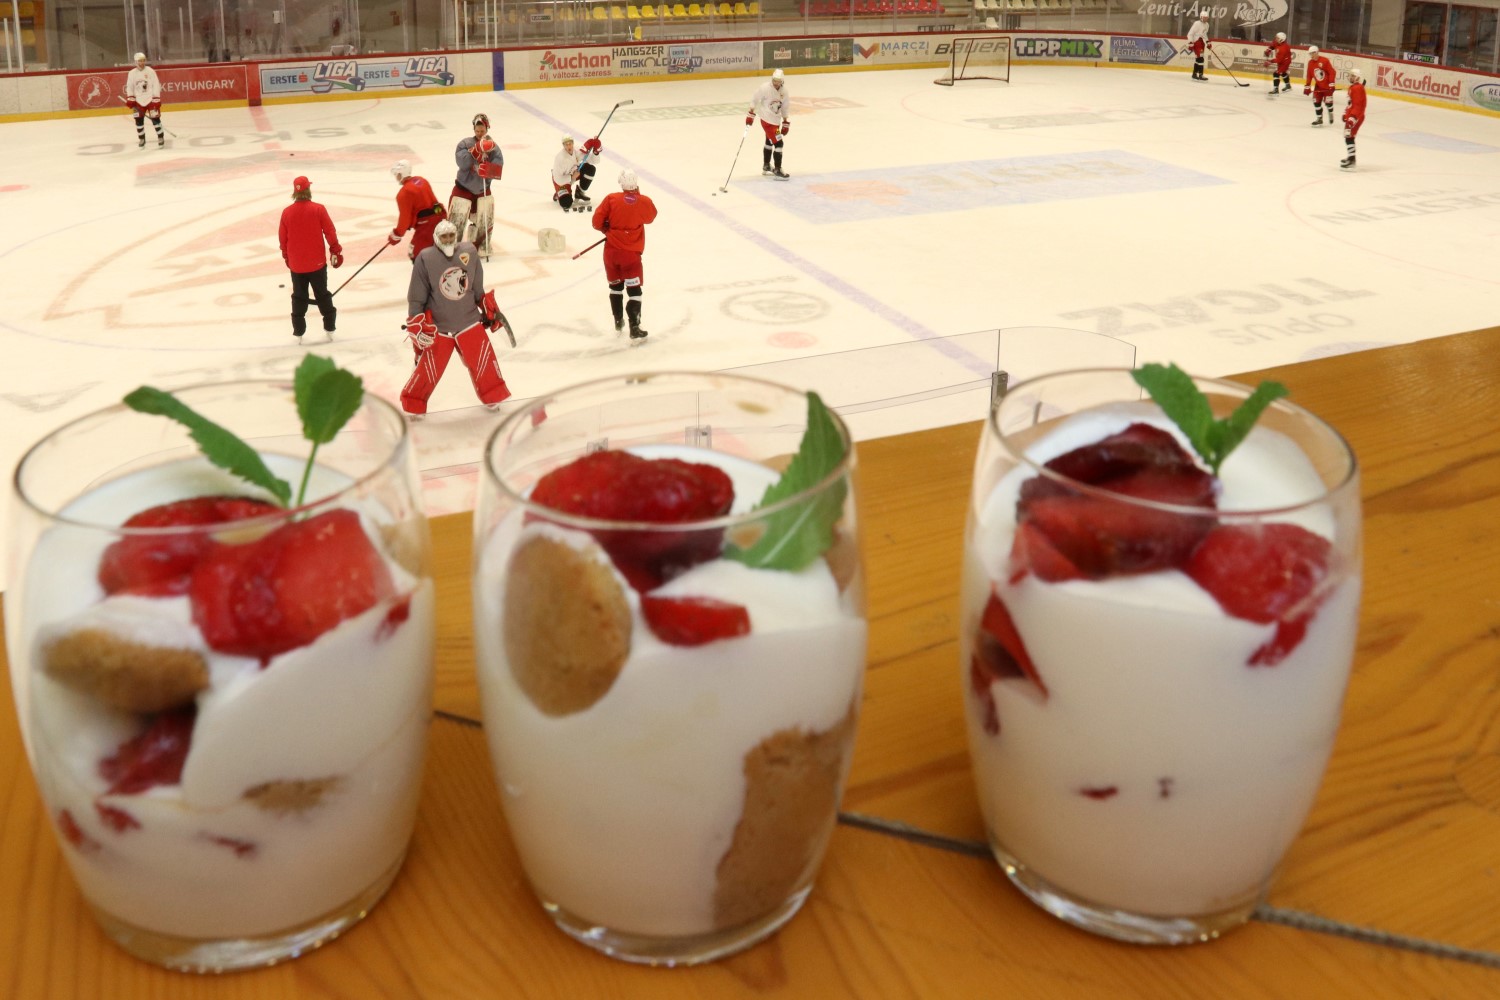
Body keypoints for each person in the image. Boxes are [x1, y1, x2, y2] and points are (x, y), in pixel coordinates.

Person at [400, 219, 512, 418]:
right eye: (444, 236)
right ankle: (414, 403)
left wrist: (487, 307)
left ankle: (492, 393)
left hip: (468, 320)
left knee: (484, 362)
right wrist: (415, 321)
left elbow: (476, 289)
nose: (448, 240)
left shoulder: (469, 252)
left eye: (451, 235)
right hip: (439, 326)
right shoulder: (425, 258)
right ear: (436, 238)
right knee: (427, 370)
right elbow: (417, 297)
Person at [591, 169, 658, 341]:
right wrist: (637, 197)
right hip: (631, 255)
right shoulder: (644, 201)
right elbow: (650, 217)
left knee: (615, 287)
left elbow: (596, 222)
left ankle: (618, 322)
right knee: (634, 289)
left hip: (611, 253)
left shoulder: (611, 199)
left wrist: (607, 229)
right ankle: (634, 326)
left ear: (621, 183)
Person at [277, 176, 342, 341]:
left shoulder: (287, 212)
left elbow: (282, 238)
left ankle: (299, 331)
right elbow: (330, 231)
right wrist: (335, 251)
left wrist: (287, 256)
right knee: (322, 294)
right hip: (317, 263)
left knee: (299, 296)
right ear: (308, 189)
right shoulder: (318, 209)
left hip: (296, 265)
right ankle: (330, 326)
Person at [452, 113, 503, 248]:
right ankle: (452, 246)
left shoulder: (493, 148)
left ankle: (481, 245)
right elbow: (461, 163)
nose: (480, 134)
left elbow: (498, 169)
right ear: (474, 129)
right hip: (463, 188)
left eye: (482, 131)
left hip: (482, 189)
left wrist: (488, 170)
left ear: (487, 129)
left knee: (485, 220)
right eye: (477, 131)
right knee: (456, 220)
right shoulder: (465, 144)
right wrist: (474, 152)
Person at [388, 160, 446, 260]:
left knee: (415, 253)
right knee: (437, 248)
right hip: (440, 217)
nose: (396, 177)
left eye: (396, 174)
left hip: (426, 225)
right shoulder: (421, 180)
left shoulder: (403, 193)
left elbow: (405, 218)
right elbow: (432, 201)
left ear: (401, 174)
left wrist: (397, 234)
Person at [747, 68, 792, 179]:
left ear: (782, 81)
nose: (776, 83)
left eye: (778, 81)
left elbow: (785, 107)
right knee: (779, 143)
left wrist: (785, 121)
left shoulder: (784, 91)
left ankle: (766, 165)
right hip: (767, 121)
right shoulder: (765, 88)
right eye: (774, 80)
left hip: (776, 121)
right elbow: (755, 99)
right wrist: (751, 113)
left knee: (769, 141)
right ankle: (777, 169)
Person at [123, 52, 166, 148]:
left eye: (143, 60)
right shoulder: (131, 73)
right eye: (140, 61)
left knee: (156, 119)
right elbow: (130, 87)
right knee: (138, 121)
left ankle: (160, 137)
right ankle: (142, 138)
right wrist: (130, 98)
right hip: (138, 101)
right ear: (136, 62)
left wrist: (156, 98)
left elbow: (156, 84)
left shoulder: (150, 71)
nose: (142, 63)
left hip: (151, 100)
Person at [551, 135, 603, 212]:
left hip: (575, 173)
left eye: (570, 143)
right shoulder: (560, 158)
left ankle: (580, 193)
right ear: (563, 145)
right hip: (562, 182)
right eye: (566, 144)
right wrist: (571, 177)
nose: (568, 146)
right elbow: (557, 179)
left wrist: (596, 152)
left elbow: (594, 161)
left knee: (590, 169)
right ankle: (558, 193)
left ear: (573, 143)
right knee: (566, 203)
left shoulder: (578, 151)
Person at [1304, 46, 1338, 126]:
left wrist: (1331, 83)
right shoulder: (1310, 63)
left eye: (1312, 53)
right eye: (1310, 54)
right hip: (1318, 86)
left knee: (1328, 103)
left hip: (1327, 87)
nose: (1311, 55)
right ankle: (1319, 119)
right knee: (1316, 102)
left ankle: (1330, 112)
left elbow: (1332, 72)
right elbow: (1309, 75)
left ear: (1316, 52)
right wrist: (1307, 86)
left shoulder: (1324, 60)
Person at [1341, 68, 1366, 169]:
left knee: (1349, 136)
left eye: (1352, 76)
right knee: (1348, 136)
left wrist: (1352, 118)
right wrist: (1345, 114)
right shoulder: (1353, 87)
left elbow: (1358, 106)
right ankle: (1351, 158)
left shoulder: (1357, 88)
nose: (1350, 77)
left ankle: (1352, 160)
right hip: (1353, 115)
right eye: (1350, 75)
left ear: (1357, 77)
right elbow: (1350, 104)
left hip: (1357, 116)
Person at [1185, 13, 1210, 81]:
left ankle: (1194, 74)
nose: (1206, 19)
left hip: (1202, 43)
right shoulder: (1197, 23)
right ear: (1201, 17)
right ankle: (1201, 75)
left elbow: (1204, 34)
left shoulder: (1207, 25)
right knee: (1201, 58)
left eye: (1207, 17)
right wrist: (1190, 42)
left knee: (1198, 58)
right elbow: (1190, 34)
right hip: (1196, 42)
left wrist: (1207, 42)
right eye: (1204, 17)